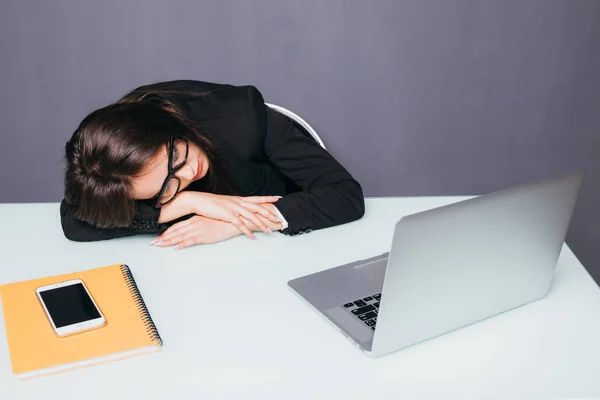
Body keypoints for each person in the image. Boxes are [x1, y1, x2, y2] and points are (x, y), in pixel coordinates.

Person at [61, 80, 365, 249]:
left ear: (164, 125)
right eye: (167, 187)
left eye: (176, 158)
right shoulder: (109, 163)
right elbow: (75, 221)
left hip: (283, 250)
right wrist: (188, 202)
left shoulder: (244, 117)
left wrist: (237, 221)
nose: (189, 173)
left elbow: (346, 195)